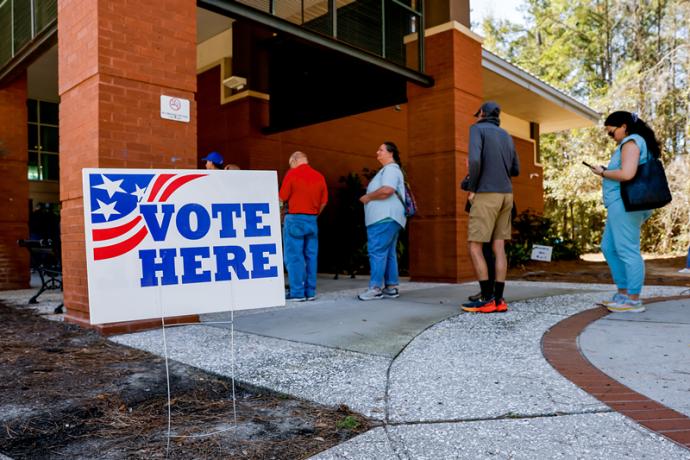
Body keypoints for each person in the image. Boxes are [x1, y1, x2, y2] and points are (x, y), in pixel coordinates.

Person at [588, 111, 658, 313]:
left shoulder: (631, 142)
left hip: (626, 203)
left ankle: (633, 299)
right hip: (619, 203)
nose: (612, 136)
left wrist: (602, 172)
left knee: (627, 250)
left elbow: (627, 174)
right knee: (609, 247)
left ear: (624, 126)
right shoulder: (631, 143)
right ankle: (624, 293)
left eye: (612, 132)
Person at [462, 101, 520, 313]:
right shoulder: (506, 135)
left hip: (487, 193)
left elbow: (475, 161)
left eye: (477, 114)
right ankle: (499, 299)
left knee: (475, 245)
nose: (475, 118)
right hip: (507, 195)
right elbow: (516, 169)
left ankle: (486, 299)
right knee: (499, 247)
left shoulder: (477, 129)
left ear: (483, 114)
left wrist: (473, 187)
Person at [357, 142, 407, 301]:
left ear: (390, 153)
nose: (377, 152)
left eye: (381, 150)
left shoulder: (390, 170)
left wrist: (368, 197)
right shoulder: (391, 170)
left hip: (383, 218)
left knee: (377, 252)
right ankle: (391, 287)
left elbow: (388, 190)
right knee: (389, 253)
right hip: (390, 218)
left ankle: (375, 288)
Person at [279, 151, 328, 301]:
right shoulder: (319, 176)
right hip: (312, 219)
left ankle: (297, 292)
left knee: (294, 256)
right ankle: (310, 292)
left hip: (294, 219)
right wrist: (313, 216)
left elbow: (282, 197)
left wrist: (279, 213)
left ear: (294, 160)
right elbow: (324, 202)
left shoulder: (292, 174)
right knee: (311, 256)